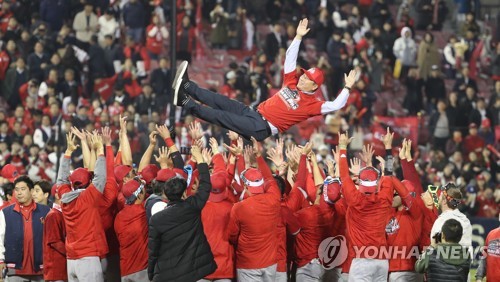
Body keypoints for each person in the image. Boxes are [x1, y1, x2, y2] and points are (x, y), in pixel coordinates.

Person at [172, 19, 357, 141]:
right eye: (305, 75)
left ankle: (184, 101)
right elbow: (290, 59)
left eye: (307, 78)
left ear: (314, 85)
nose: (302, 78)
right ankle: (188, 86)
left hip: (261, 127)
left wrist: (347, 87)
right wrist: (299, 37)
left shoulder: (312, 104)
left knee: (221, 117)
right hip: (254, 112)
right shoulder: (292, 82)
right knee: (221, 101)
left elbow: (336, 105)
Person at [148, 145, 216, 282]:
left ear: (166, 194)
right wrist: (200, 160)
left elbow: (153, 251)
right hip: (193, 272)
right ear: (184, 193)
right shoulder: (192, 207)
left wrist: (151, 273)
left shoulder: (156, 219)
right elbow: (205, 185)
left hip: (168, 274)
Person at [227, 137, 281, 281]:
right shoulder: (273, 198)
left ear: (245, 186)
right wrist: (258, 156)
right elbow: (270, 178)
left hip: (248, 263)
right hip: (270, 262)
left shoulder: (239, 208)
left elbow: (232, 235)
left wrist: (241, 157)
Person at [58, 132, 108, 282]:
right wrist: (100, 150)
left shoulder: (64, 197)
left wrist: (68, 153)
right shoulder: (89, 197)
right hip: (88, 258)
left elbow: (61, 180)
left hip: (71, 258)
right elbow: (101, 177)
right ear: (88, 182)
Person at [0, 175, 51, 281]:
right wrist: (1, 260)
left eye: (23, 189)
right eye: (17, 190)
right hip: (14, 270)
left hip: (40, 270)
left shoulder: (46, 212)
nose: (19, 193)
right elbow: (0, 238)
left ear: (31, 191)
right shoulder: (5, 213)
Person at [114, 178, 149, 281]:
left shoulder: (119, 216)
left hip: (125, 271)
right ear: (139, 194)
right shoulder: (144, 211)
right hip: (142, 270)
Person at [430, 183, 472, 247]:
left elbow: (434, 246)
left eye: (440, 196)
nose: (438, 198)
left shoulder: (441, 221)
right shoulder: (466, 220)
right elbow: (469, 250)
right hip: (463, 256)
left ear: (444, 201)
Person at [43, 184, 67, 282]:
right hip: (56, 270)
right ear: (57, 195)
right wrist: (72, 252)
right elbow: (55, 242)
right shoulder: (53, 215)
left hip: (61, 268)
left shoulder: (61, 213)